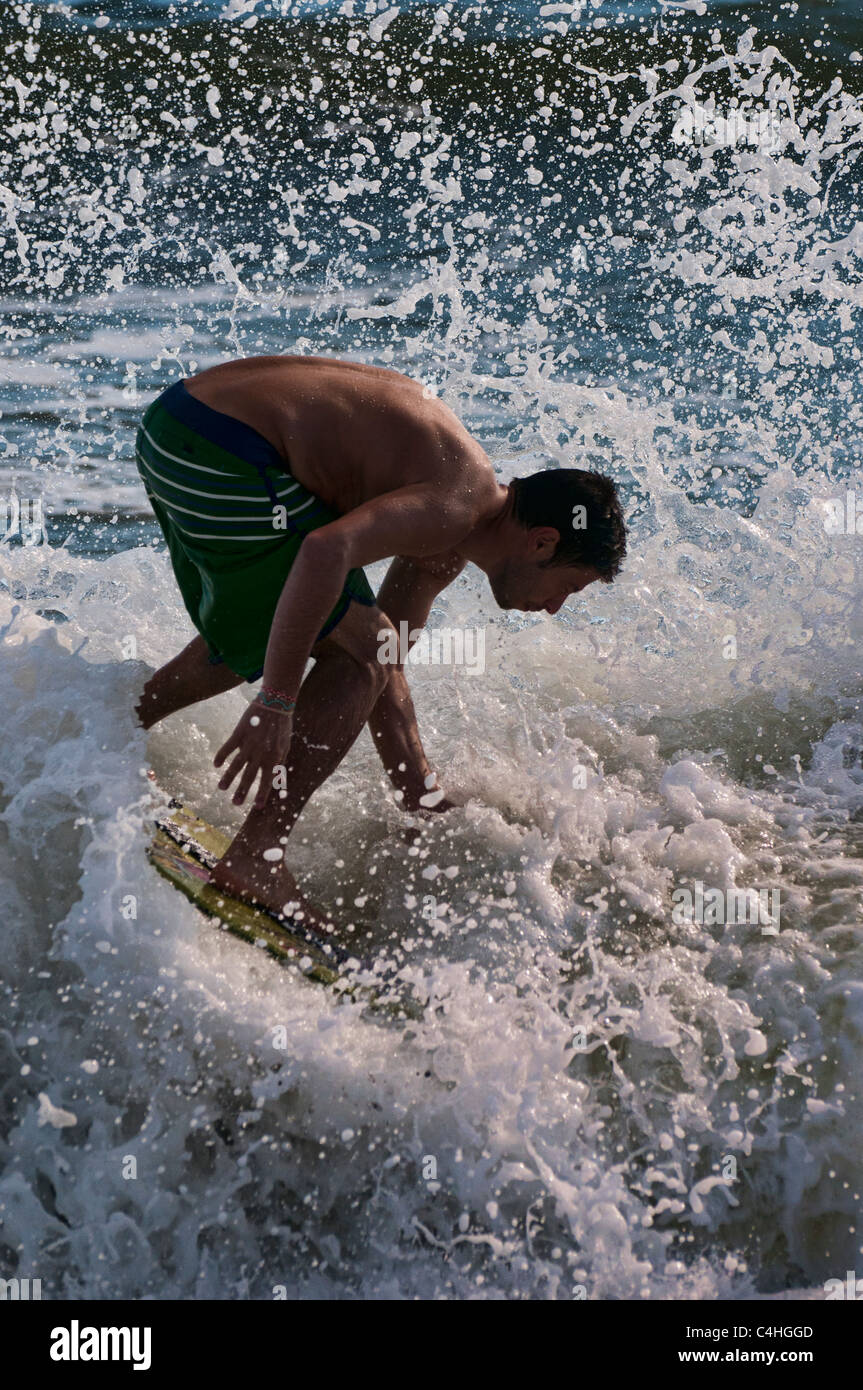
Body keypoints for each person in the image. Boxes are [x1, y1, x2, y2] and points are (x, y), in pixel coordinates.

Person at [135, 354, 626, 945]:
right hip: (223, 449)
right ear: (543, 542)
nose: (554, 608)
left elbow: (381, 660)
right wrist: (278, 701)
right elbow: (324, 553)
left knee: (324, 630)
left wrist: (419, 793)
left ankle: (108, 722)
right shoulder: (455, 504)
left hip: (179, 427)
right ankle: (256, 859)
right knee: (349, 641)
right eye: (568, 588)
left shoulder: (446, 540)